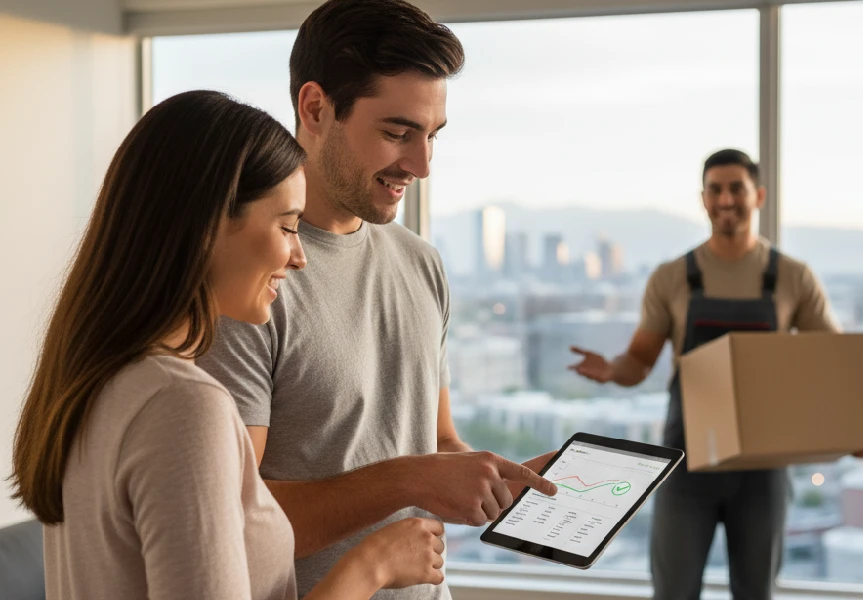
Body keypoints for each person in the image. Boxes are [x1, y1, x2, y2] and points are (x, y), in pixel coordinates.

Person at [10, 90, 449, 600]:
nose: (300, 256)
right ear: (208, 225)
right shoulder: (183, 406)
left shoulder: (101, 380)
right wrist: (368, 568)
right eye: (287, 226)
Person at [197, 2, 557, 598]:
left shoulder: (421, 263)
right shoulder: (250, 279)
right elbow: (237, 519)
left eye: (432, 136)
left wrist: (494, 479)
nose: (420, 164)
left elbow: (434, 441)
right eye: (397, 133)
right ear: (316, 109)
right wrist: (407, 480)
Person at [569, 149, 863, 600]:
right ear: (703, 199)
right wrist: (611, 369)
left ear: (757, 196)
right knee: (673, 592)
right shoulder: (672, 277)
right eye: (715, 189)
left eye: (736, 188)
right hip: (686, 464)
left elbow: (833, 362)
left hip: (764, 469)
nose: (725, 199)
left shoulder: (792, 277)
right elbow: (638, 361)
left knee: (755, 593)